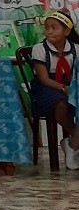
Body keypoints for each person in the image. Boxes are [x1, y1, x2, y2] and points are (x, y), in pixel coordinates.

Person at [29, 9, 79, 169]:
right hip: (46, 87)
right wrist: (64, 88)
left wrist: (71, 87)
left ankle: (72, 143)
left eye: (54, 27)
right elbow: (44, 79)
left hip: (71, 84)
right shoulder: (39, 49)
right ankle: (75, 138)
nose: (49, 31)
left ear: (67, 31)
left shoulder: (76, 48)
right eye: (47, 27)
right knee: (60, 103)